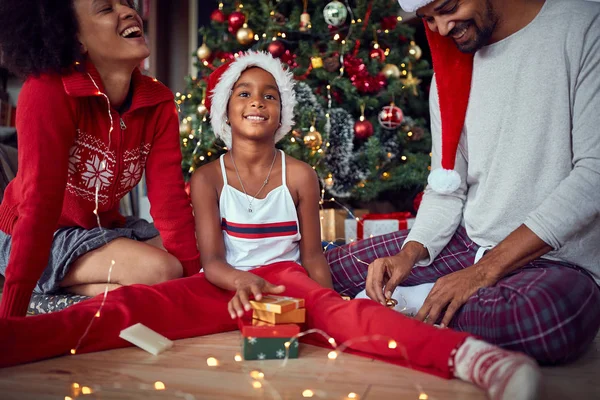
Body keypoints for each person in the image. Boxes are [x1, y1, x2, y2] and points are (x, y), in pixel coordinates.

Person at [0, 51, 541, 400]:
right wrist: (238, 284)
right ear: (223, 112)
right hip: (224, 286)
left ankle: (471, 358)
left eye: (270, 94)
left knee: (351, 318)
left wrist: (325, 305)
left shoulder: (300, 176)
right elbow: (210, 261)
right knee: (129, 307)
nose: (257, 101)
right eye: (244, 92)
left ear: (282, 114)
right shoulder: (207, 178)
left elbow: (311, 257)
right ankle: (12, 340)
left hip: (288, 279)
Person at [326, 0, 600, 365]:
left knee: (538, 322)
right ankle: (422, 303)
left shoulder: (583, 24)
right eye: (428, 20)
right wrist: (409, 254)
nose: (440, 29)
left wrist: (483, 272)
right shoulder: (452, 66)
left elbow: (594, 175)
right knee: (328, 270)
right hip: (471, 240)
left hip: (561, 259)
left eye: (448, 7)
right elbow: (447, 186)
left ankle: (415, 304)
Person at [0, 0, 200, 318]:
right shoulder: (48, 91)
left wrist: (192, 291)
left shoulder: (158, 101)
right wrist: (10, 318)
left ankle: (85, 291)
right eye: (106, 9)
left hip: (104, 230)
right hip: (36, 236)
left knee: (196, 251)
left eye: (126, 2)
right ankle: (46, 289)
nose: (128, 11)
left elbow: (170, 204)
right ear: (75, 38)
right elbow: (39, 209)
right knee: (160, 270)